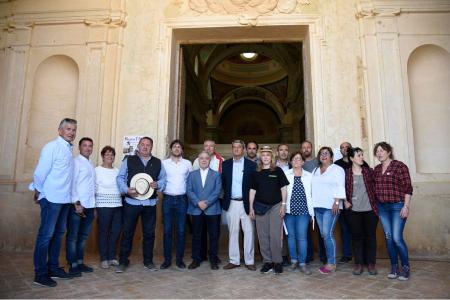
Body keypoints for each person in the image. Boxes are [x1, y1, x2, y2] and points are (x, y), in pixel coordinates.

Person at [31, 118, 77, 287]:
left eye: (73, 130)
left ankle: (53, 268)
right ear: (60, 131)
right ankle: (40, 273)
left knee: (58, 236)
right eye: (68, 129)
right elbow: (40, 172)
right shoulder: (52, 147)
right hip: (51, 199)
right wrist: (38, 189)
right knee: (46, 236)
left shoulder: (68, 149)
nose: (71, 132)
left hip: (64, 200)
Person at [115, 137, 166, 273]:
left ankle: (148, 261)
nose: (145, 147)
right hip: (131, 202)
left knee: (149, 233)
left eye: (148, 145)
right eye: (142, 144)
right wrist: (126, 190)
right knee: (127, 232)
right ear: (138, 146)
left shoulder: (158, 162)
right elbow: (120, 178)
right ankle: (123, 261)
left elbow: (163, 179)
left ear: (151, 147)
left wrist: (158, 184)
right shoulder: (128, 160)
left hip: (150, 203)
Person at [373, 142, 413, 281]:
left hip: (398, 206)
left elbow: (408, 188)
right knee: (389, 238)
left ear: (389, 152)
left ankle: (406, 267)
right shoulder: (376, 169)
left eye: (382, 150)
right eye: (377, 151)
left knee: (396, 238)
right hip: (383, 208)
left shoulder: (399, 166)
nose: (379, 153)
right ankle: (394, 267)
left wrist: (406, 206)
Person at [249, 146, 289, 275]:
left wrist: (283, 204)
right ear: (260, 157)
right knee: (263, 236)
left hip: (276, 206)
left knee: (275, 235)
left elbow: (284, 188)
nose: (265, 157)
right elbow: (252, 191)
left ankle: (277, 262)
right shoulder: (256, 172)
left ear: (271, 158)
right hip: (260, 207)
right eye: (263, 155)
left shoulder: (277, 171)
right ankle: (267, 262)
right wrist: (250, 207)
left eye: (268, 155)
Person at [222, 140, 257, 271]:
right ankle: (234, 260)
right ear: (232, 149)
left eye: (239, 147)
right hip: (231, 202)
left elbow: (254, 185)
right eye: (234, 147)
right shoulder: (225, 164)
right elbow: (224, 183)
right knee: (233, 232)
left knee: (249, 231)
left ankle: (249, 261)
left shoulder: (251, 165)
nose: (236, 149)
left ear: (243, 150)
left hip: (247, 203)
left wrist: (253, 205)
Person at [344, 147, 379, 275]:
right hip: (354, 211)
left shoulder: (369, 171)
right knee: (357, 237)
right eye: (359, 155)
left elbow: (377, 187)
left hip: (370, 210)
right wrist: (344, 201)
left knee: (370, 237)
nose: (362, 157)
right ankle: (358, 264)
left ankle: (371, 263)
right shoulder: (346, 173)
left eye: (362, 155)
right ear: (352, 158)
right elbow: (340, 188)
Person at [311, 146, 346, 274]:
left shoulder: (337, 169)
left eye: (326, 153)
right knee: (323, 235)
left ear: (331, 157)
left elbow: (340, 185)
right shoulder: (316, 170)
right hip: (318, 206)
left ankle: (331, 263)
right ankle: (329, 261)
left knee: (327, 234)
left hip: (331, 206)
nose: (323, 155)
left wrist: (337, 201)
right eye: (321, 153)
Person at [186, 151, 222, 270]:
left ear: (209, 160)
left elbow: (217, 191)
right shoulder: (192, 175)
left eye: (206, 158)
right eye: (201, 158)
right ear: (198, 160)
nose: (204, 160)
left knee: (213, 236)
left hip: (212, 209)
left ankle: (213, 259)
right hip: (196, 210)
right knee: (197, 236)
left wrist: (206, 203)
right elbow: (189, 190)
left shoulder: (216, 174)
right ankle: (196, 259)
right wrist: (198, 202)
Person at [66, 137, 96, 277]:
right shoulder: (75, 162)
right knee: (73, 237)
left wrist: (94, 206)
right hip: (78, 205)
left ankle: (79, 261)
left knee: (83, 237)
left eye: (90, 146)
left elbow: (91, 187)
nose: (88, 148)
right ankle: (72, 265)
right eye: (85, 145)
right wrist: (76, 203)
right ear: (79, 147)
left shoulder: (90, 163)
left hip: (89, 206)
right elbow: (72, 183)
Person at [160, 140, 193, 269]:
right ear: (171, 149)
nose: (177, 148)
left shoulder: (187, 164)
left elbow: (190, 182)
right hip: (167, 199)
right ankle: (167, 260)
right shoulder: (164, 163)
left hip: (182, 200)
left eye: (179, 147)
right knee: (167, 231)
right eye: (174, 146)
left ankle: (179, 260)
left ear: (182, 150)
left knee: (181, 230)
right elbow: (161, 179)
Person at [192, 139, 224, 263]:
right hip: (198, 203)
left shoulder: (220, 160)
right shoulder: (196, 161)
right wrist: (198, 202)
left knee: (214, 232)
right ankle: (200, 256)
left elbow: (219, 185)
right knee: (199, 231)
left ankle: (213, 256)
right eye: (206, 146)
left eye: (211, 146)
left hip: (214, 202)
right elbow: (194, 181)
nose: (208, 148)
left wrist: (209, 202)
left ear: (214, 147)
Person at [284, 151, 314, 275]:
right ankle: (294, 260)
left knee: (302, 237)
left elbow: (313, 193)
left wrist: (312, 213)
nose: (296, 161)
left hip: (304, 211)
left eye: (299, 159)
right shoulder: (286, 174)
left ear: (303, 162)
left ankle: (302, 263)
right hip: (289, 211)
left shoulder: (309, 175)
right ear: (291, 162)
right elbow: (282, 192)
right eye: (294, 159)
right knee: (291, 237)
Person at [95, 146, 122, 269]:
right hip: (103, 205)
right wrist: (95, 207)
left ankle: (112, 257)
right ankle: (104, 258)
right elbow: (94, 188)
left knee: (115, 232)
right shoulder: (97, 170)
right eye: (107, 154)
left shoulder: (117, 171)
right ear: (102, 156)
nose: (109, 157)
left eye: (112, 154)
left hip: (117, 205)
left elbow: (121, 187)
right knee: (103, 232)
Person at [300, 140, 326, 264]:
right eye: (304, 147)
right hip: (304, 201)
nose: (306, 149)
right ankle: (308, 255)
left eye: (308, 147)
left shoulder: (318, 161)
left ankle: (323, 255)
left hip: (318, 199)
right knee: (305, 230)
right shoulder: (298, 162)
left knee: (322, 229)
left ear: (312, 148)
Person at [334, 142, 353, 263]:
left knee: (358, 229)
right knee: (345, 229)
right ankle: (347, 254)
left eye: (347, 147)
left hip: (358, 201)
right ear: (340, 150)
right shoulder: (336, 164)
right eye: (342, 147)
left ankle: (360, 255)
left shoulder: (357, 160)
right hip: (342, 201)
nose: (345, 149)